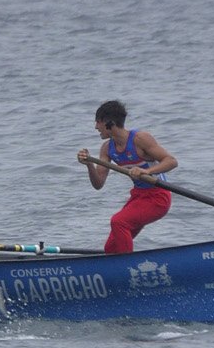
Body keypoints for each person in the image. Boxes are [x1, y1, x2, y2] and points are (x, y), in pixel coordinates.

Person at [76, 100, 178, 253]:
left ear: (110, 123)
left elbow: (171, 161)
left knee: (118, 222)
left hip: (158, 197)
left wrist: (147, 171)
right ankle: (118, 263)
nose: (96, 127)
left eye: (98, 122)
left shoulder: (140, 139)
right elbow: (98, 184)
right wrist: (89, 165)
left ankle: (127, 264)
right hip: (138, 197)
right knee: (111, 248)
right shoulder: (107, 148)